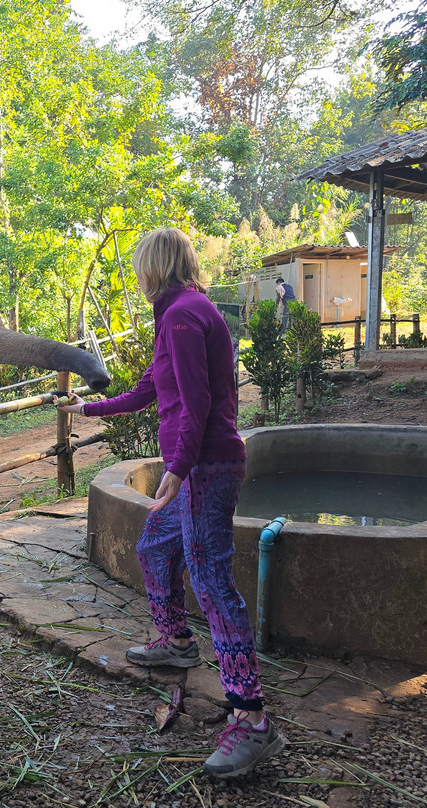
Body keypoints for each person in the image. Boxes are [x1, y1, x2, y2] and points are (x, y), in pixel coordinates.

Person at [55, 227, 285, 779]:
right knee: (156, 548)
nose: (137, 275)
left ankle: (252, 718)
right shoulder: (178, 312)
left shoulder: (183, 314)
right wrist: (84, 411)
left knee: (209, 580)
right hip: (197, 466)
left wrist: (178, 469)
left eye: (140, 265)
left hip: (205, 466)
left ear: (155, 265)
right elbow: (150, 391)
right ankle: (176, 642)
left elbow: (199, 401)